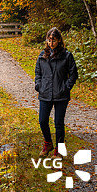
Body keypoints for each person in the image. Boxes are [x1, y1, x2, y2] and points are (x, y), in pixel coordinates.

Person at [34, 27, 78, 157]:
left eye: (53, 40)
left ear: (59, 40)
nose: (51, 43)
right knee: (42, 120)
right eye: (49, 40)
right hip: (45, 93)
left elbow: (73, 74)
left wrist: (66, 87)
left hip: (61, 95)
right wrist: (38, 85)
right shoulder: (42, 55)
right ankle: (48, 143)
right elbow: (38, 72)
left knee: (58, 122)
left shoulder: (66, 55)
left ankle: (59, 149)